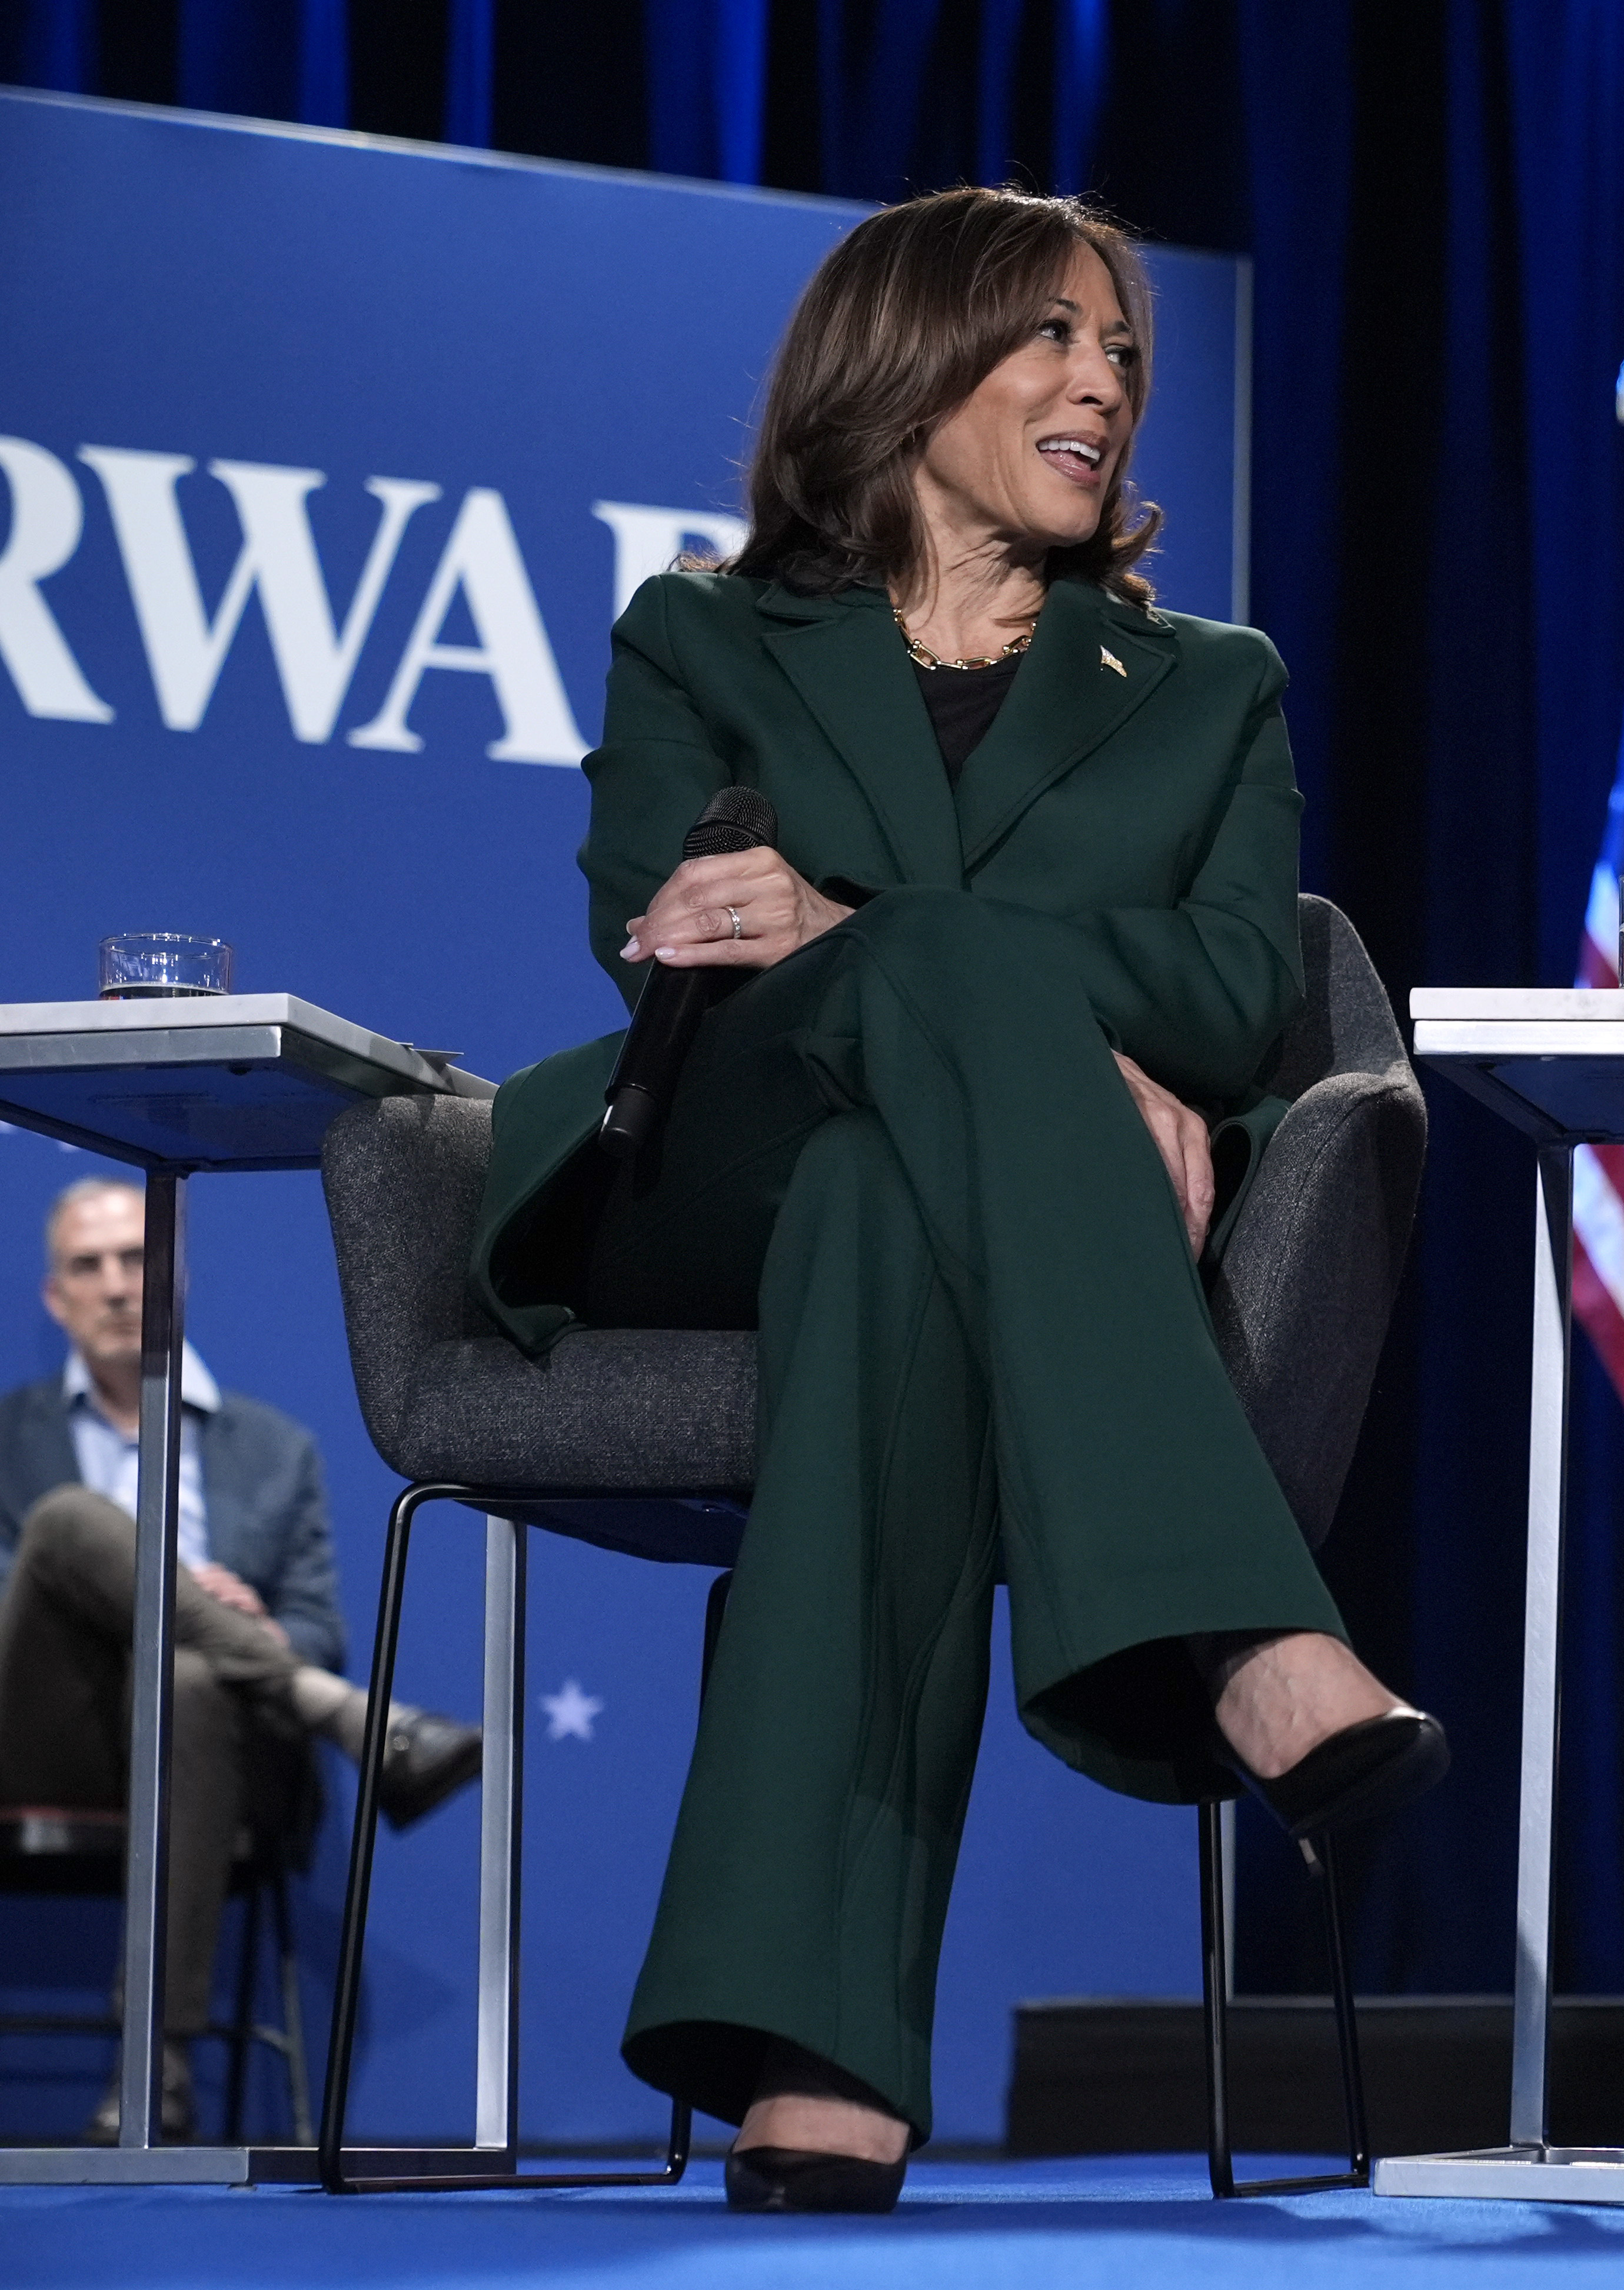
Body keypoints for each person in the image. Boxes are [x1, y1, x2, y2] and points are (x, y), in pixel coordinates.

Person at [468, 188, 1443, 2214]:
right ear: (907, 363)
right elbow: (661, 932)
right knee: (908, 1035)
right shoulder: (709, 634)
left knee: (881, 1219)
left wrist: (908, 964)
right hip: (695, 1170)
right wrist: (1048, 1054)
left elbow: (1233, 988)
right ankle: (1237, 1627)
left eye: (1124, 357)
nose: (1103, 384)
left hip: (891, 1216)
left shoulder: (1206, 684)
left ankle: (812, 2045)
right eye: (1054, 340)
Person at [0, 1177, 480, 2139]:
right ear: (55, 1297)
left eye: (137, 1259)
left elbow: (318, 1621)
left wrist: (255, 1624)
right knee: (65, 1523)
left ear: (175, 1276)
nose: (116, 1285)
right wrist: (170, 1595)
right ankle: (346, 1714)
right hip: (44, 1732)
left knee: (188, 1679)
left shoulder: (274, 1449)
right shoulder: (10, 1439)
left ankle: (155, 2067)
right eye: (88, 1266)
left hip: (210, 1743)